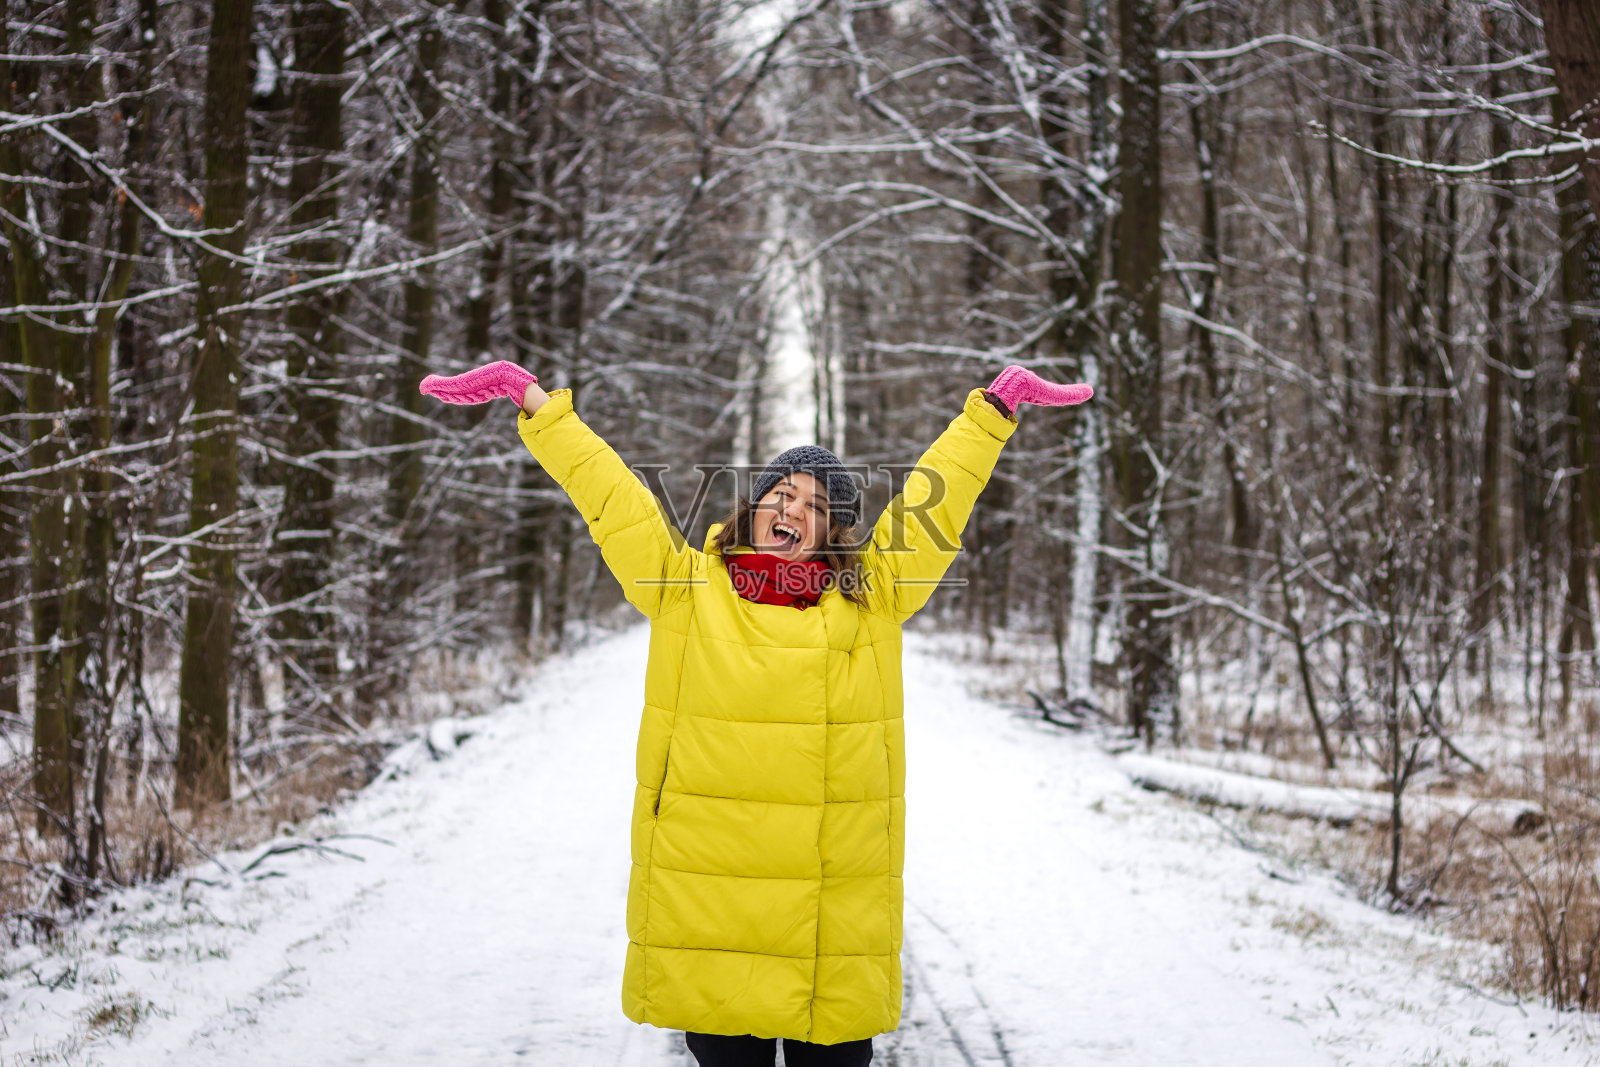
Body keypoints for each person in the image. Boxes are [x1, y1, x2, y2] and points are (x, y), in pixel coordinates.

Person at [419, 360, 1093, 1067]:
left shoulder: (874, 598)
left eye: (817, 506)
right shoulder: (686, 587)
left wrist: (992, 411)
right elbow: (612, 497)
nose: (793, 510)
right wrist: (537, 406)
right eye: (781, 492)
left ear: (835, 532)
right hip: (714, 909)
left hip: (830, 922)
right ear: (754, 505)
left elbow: (942, 498)